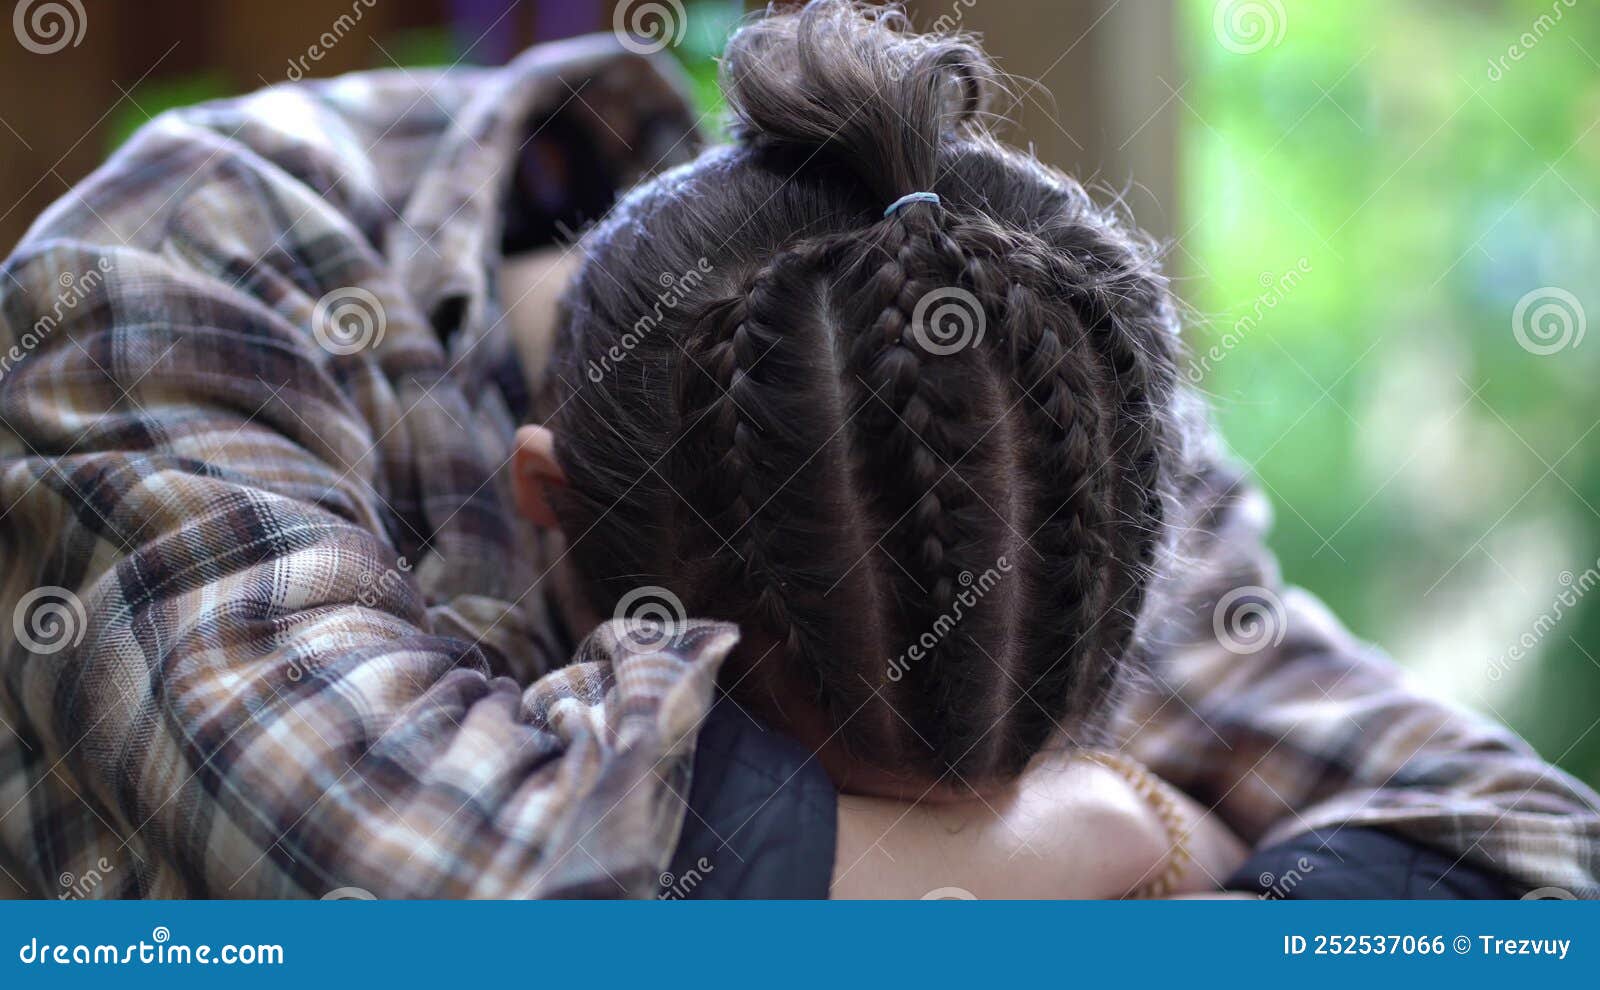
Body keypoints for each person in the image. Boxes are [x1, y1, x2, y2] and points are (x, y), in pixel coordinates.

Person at [0, 0, 1594, 899]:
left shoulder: (1026, 390)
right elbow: (484, 895)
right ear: (542, 504)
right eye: (804, 789)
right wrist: (1125, 829)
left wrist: (834, 868)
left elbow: (1536, 867)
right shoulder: (177, 280)